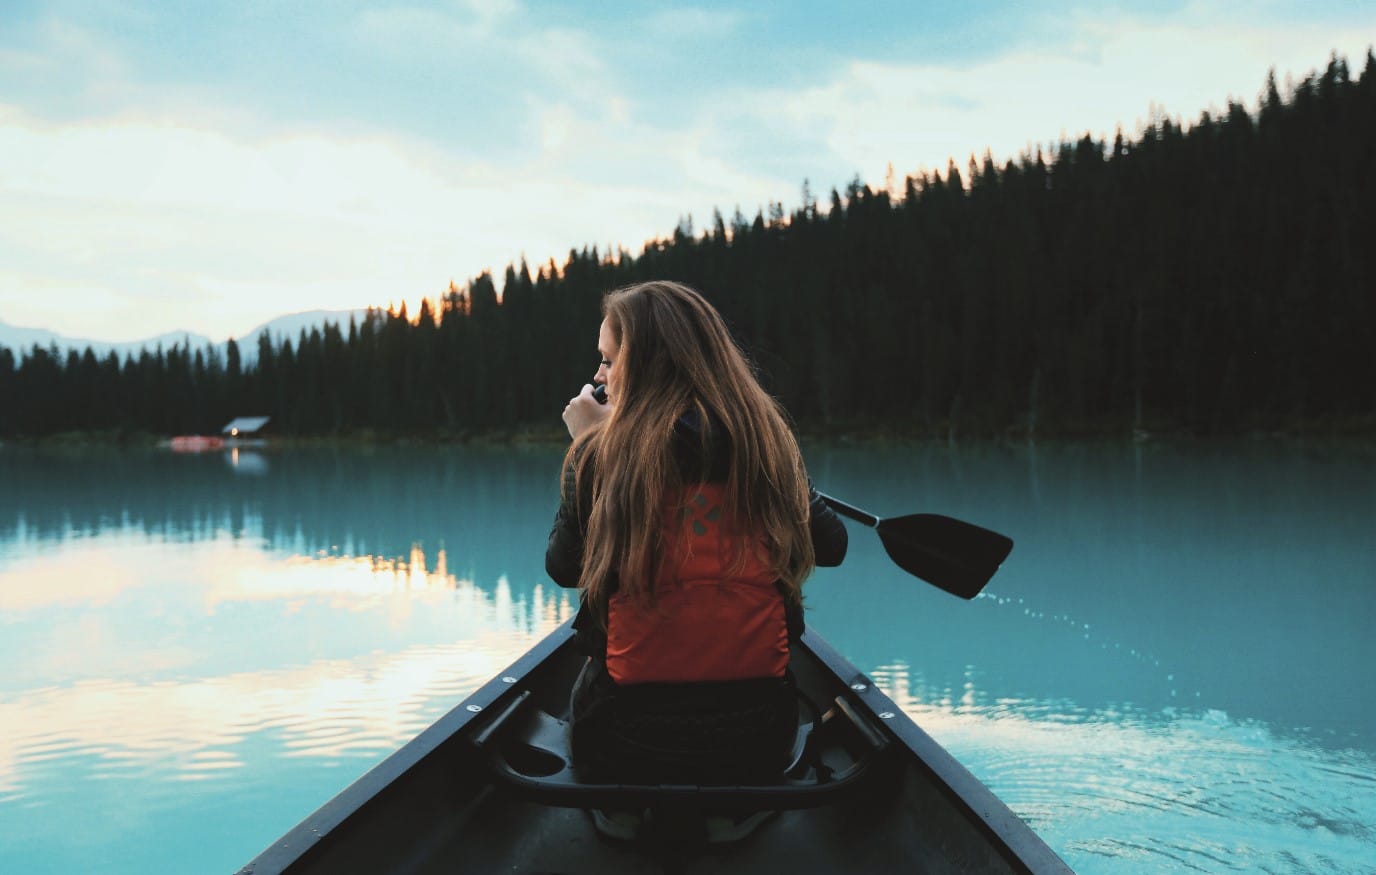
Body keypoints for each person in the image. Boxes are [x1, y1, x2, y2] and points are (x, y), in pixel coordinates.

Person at [544, 281, 848, 817]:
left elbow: (564, 568)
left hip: (624, 741)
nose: (598, 377)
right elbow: (833, 546)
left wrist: (590, 447)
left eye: (609, 361)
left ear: (646, 365)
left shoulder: (603, 455)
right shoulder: (764, 443)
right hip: (758, 739)